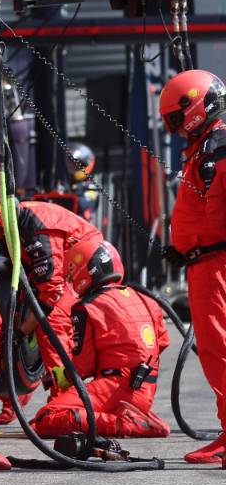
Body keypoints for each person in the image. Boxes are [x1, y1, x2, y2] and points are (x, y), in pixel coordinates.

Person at [31, 240, 170, 438]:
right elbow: (163, 342)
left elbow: (82, 367)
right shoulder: (145, 299)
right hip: (145, 392)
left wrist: (58, 377)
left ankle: (127, 425)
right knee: (60, 416)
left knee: (46, 418)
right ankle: (134, 417)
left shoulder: (87, 307)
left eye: (71, 271)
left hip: (115, 388)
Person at [158, 69, 226, 464]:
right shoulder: (205, 148)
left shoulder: (218, 148)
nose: (174, 128)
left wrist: (201, 247)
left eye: (175, 118)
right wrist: (186, 249)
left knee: (220, 350)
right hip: (205, 262)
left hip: (216, 266)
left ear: (195, 108)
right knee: (216, 352)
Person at [0, 199, 103, 425]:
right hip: (50, 262)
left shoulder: (39, 231)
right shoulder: (10, 222)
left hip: (84, 263)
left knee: (52, 321)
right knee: (13, 309)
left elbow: (51, 292)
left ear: (3, 224)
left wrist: (21, 332)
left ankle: (62, 400)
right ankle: (15, 397)